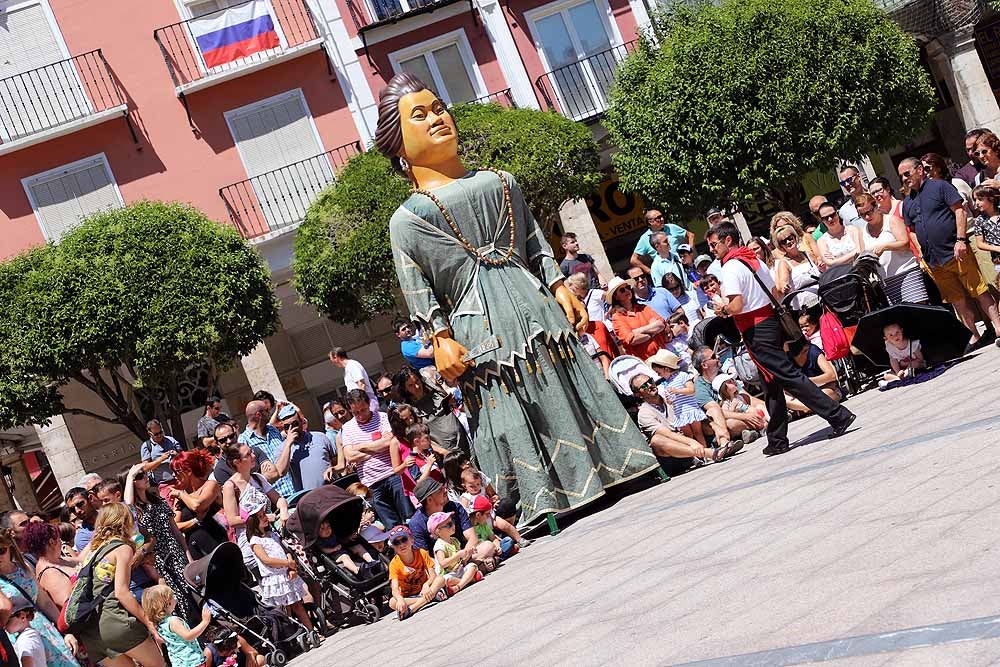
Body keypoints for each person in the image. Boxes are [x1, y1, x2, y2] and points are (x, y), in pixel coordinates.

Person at [378, 73, 658, 524]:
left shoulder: (502, 180)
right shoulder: (406, 219)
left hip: (534, 303)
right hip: (476, 321)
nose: (436, 118)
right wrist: (439, 334)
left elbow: (533, 243)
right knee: (506, 402)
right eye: (419, 114)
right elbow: (416, 285)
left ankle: (616, 468)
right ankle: (540, 500)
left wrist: (559, 284)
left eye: (438, 107)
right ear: (398, 144)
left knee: (566, 378)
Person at [706, 220, 856, 455]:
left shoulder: (730, 267)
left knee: (788, 376)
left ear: (728, 240)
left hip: (756, 329)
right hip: (769, 322)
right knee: (771, 383)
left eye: (714, 244)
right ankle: (777, 438)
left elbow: (736, 305)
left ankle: (838, 415)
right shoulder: (753, 260)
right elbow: (774, 291)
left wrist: (722, 310)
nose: (712, 250)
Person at [900, 156, 1000, 349]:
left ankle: (998, 327)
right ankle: (973, 336)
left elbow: (959, 211)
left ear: (920, 170)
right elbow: (911, 230)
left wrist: (961, 240)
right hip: (934, 261)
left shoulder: (940, 186)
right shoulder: (907, 203)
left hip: (956, 251)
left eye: (907, 173)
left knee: (979, 290)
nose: (904, 179)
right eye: (901, 176)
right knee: (956, 300)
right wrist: (921, 254)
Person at [74, 503, 164, 667]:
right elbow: (122, 592)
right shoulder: (122, 548)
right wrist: (148, 622)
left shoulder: (93, 550)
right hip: (115, 620)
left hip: (91, 631)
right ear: (125, 521)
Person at [123, 464, 194, 623]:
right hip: (159, 560)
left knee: (192, 593)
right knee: (176, 600)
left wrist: (188, 555)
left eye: (144, 474)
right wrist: (129, 476)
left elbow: (175, 530)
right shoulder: (133, 510)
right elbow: (127, 505)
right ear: (133, 482)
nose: (146, 476)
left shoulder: (157, 499)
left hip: (175, 552)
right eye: (140, 476)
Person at [0, 534, 78, 667]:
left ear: (10, 547)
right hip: (21, 640)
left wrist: (65, 631)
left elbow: (44, 602)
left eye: (1, 551)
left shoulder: (23, 567)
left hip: (47, 632)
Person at [340, 389, 412, 528]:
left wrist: (360, 446)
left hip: (394, 475)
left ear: (369, 404)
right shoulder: (348, 428)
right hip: (371, 484)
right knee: (392, 526)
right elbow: (349, 456)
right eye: (356, 413)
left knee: (408, 518)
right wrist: (376, 448)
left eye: (363, 410)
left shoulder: (383, 418)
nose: (360, 415)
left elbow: (389, 442)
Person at [629, 374, 736, 465]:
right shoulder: (644, 413)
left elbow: (692, 412)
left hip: (691, 435)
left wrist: (715, 427)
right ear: (638, 394)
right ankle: (710, 453)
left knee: (712, 412)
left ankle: (725, 443)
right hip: (675, 453)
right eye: (644, 386)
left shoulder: (670, 396)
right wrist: (692, 442)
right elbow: (667, 434)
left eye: (650, 381)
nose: (650, 385)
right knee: (656, 440)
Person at [243, 498, 313, 633]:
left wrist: (291, 566)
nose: (264, 518)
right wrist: (287, 563)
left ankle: (311, 630)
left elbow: (285, 549)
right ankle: (293, 634)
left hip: (286, 573)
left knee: (298, 604)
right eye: (260, 516)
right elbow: (266, 560)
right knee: (286, 609)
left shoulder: (272, 534)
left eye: (264, 515)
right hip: (275, 578)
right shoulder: (256, 541)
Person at [220, 442, 289, 573]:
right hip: (252, 544)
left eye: (252, 452)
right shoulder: (230, 486)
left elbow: (278, 498)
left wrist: (284, 510)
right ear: (237, 462)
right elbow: (232, 520)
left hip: (272, 539)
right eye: (248, 454)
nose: (253, 456)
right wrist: (262, 518)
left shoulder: (257, 478)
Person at [855, 193, 926, 303]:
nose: (867, 217)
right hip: (886, 280)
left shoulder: (891, 220)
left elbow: (905, 243)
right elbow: (863, 255)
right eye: (862, 215)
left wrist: (885, 246)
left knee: (918, 309)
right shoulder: (862, 231)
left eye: (869, 212)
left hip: (906, 270)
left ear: (876, 206)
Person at [393, 368, 469, 454]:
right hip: (447, 453)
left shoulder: (434, 388)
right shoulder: (410, 410)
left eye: (417, 381)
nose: (417, 386)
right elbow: (420, 437)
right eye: (411, 385)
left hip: (464, 441)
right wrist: (444, 452)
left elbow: (450, 406)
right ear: (405, 389)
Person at [169, 450, 228, 560]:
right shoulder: (180, 497)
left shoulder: (210, 485)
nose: (174, 476)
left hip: (219, 544)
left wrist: (181, 494)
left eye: (176, 471)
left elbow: (198, 506)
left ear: (188, 471)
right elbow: (175, 526)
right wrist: (196, 521)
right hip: (197, 550)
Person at [646, 351, 707, 447]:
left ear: (666, 369)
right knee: (688, 437)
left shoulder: (682, 375)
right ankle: (697, 456)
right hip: (679, 413)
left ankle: (707, 454)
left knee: (698, 433)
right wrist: (669, 400)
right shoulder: (667, 383)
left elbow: (691, 390)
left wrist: (677, 391)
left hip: (690, 409)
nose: (658, 375)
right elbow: (672, 400)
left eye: (659, 372)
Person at [141, 585, 213, 667]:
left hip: (179, 663)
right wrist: (205, 621)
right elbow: (188, 636)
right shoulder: (173, 621)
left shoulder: (159, 624)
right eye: (173, 595)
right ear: (167, 602)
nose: (175, 597)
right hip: (191, 661)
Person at [385, 525, 446, 621]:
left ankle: (413, 609)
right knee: (392, 602)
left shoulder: (422, 553)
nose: (401, 544)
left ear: (412, 540)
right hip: (409, 596)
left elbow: (433, 575)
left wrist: (426, 585)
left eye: (404, 539)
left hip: (425, 590)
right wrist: (400, 599)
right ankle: (432, 597)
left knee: (441, 579)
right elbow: (395, 589)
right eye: (397, 542)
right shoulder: (394, 564)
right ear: (393, 547)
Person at [272, 404, 336, 493]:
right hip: (308, 499)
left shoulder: (320, 437)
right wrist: (288, 444)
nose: (292, 428)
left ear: (302, 422)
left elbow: (335, 462)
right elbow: (280, 472)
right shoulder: (281, 449)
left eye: (295, 424)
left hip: (331, 491)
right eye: (287, 427)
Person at [239, 400, 295, 499]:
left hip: (294, 488)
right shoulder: (244, 441)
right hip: (276, 498)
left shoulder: (273, 430)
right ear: (259, 415)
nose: (269, 414)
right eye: (267, 411)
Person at [564, 272, 616, 372]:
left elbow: (612, 297)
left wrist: (609, 312)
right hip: (587, 330)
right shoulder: (577, 299)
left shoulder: (595, 293)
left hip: (601, 328)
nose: (571, 288)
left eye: (572, 285)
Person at [607, 277, 668, 359]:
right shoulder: (618, 317)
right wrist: (653, 332)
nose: (627, 290)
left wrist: (638, 331)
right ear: (616, 297)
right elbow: (632, 339)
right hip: (644, 362)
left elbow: (661, 324)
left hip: (663, 354)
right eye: (622, 290)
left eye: (628, 287)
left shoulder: (643, 307)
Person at [21, 523, 75, 611]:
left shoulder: (57, 561)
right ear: (52, 542)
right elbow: (69, 606)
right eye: (59, 539)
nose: (61, 542)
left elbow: (81, 559)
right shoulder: (50, 573)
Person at [785, 338, 842, 413]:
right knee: (784, 398)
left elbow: (831, 375)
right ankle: (811, 407)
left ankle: (805, 409)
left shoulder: (813, 351)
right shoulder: (788, 358)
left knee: (825, 394)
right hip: (804, 395)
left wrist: (808, 380)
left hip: (826, 389)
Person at [428, 512, 480, 593]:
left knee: (472, 566)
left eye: (453, 522)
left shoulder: (454, 540)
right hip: (447, 573)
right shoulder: (439, 545)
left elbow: (462, 560)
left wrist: (468, 552)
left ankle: (459, 585)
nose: (453, 526)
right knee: (447, 580)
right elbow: (443, 563)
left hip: (458, 570)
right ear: (438, 531)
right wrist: (458, 555)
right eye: (449, 525)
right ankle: (468, 581)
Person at [772, 222, 821, 306]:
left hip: (821, 295)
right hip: (804, 303)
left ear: (795, 237)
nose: (788, 242)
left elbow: (821, 268)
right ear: (781, 247)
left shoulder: (808, 254)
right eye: (783, 242)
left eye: (790, 238)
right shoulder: (784, 263)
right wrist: (785, 287)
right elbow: (783, 284)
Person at [139, 420, 184, 501]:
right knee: (172, 510)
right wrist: (161, 459)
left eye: (161, 432)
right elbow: (145, 468)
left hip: (181, 480)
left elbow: (184, 457)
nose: (159, 435)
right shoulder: (147, 446)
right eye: (156, 434)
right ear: (150, 433)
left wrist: (177, 454)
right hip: (165, 485)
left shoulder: (171, 440)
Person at [328, 347, 379, 413]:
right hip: (359, 403)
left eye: (331, 359)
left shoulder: (352, 365)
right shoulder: (347, 369)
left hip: (366, 402)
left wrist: (361, 403)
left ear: (335, 357)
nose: (331, 362)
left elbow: (361, 384)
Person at [816, 202, 863, 268]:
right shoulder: (821, 241)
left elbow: (861, 250)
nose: (830, 219)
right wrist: (854, 253)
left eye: (832, 215)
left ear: (837, 213)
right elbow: (830, 263)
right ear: (821, 220)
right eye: (825, 218)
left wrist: (836, 260)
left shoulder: (853, 229)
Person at [972, 184, 1000, 290]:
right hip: (998, 259)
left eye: (980, 199)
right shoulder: (980, 220)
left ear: (991, 198)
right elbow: (980, 243)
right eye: (975, 200)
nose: (977, 203)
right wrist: (997, 248)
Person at [880, 323, 925, 387]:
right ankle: (899, 378)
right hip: (901, 369)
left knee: (915, 363)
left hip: (914, 366)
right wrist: (898, 372)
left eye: (897, 332)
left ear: (902, 330)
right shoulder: (889, 346)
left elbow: (920, 359)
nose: (895, 336)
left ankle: (895, 380)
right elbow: (893, 360)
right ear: (886, 338)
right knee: (886, 375)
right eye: (891, 335)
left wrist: (907, 366)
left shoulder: (911, 343)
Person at [6, 597, 44, 667]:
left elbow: (27, 659)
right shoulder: (31, 635)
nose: (3, 624)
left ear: (22, 616)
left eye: (7, 620)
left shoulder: (26, 638)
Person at [64, 488, 98, 553]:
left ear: (90, 499)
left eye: (80, 504)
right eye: (72, 509)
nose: (77, 511)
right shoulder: (82, 538)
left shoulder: (112, 514)